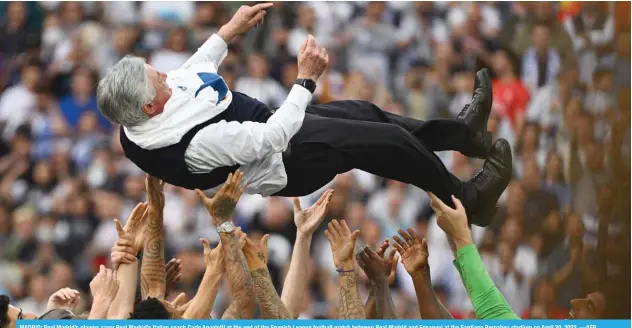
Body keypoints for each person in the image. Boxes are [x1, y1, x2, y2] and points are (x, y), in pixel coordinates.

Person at [96, 3, 512, 227]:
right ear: (149, 107)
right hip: (287, 162)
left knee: (367, 114)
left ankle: (465, 135)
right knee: (388, 144)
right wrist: (306, 80)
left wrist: (229, 30)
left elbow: (190, 74)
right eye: (159, 79)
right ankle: (471, 201)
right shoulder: (187, 147)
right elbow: (272, 139)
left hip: (275, 127)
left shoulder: (148, 109)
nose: (167, 74)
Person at [426, 191, 607, 319]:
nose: (574, 302)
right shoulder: (491, 255)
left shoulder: (527, 257)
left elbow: (492, 308)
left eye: (590, 306)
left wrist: (461, 236)